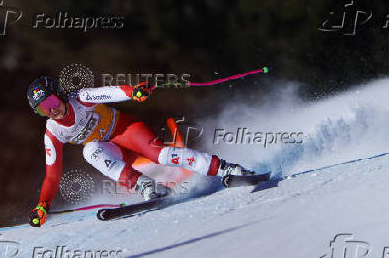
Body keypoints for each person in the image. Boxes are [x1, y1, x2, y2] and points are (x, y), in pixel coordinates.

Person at [27, 76, 252, 227]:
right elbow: (52, 175)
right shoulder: (53, 132)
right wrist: (43, 204)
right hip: (112, 151)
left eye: (53, 101)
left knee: (163, 156)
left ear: (61, 94)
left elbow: (110, 92)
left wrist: (133, 91)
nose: (52, 110)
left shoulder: (81, 98)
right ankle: (147, 186)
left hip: (125, 131)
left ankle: (225, 168)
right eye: (43, 109)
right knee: (90, 151)